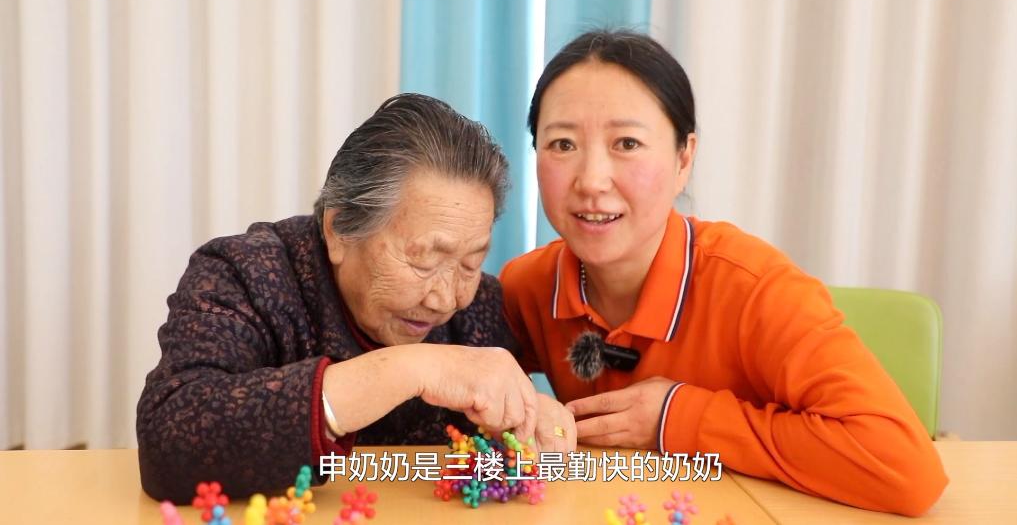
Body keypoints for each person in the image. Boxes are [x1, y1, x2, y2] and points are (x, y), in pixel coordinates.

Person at [500, 30, 947, 516]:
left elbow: (906, 469)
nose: (591, 180)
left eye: (627, 142)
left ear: (683, 158)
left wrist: (679, 418)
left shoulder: (756, 290)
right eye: (562, 143)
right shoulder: (527, 287)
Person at [137, 93, 575, 503]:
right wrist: (411, 369)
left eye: (471, 262)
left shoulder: (478, 307)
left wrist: (527, 419)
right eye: (424, 260)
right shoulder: (246, 275)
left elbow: (487, 454)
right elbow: (169, 441)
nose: (446, 299)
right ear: (339, 231)